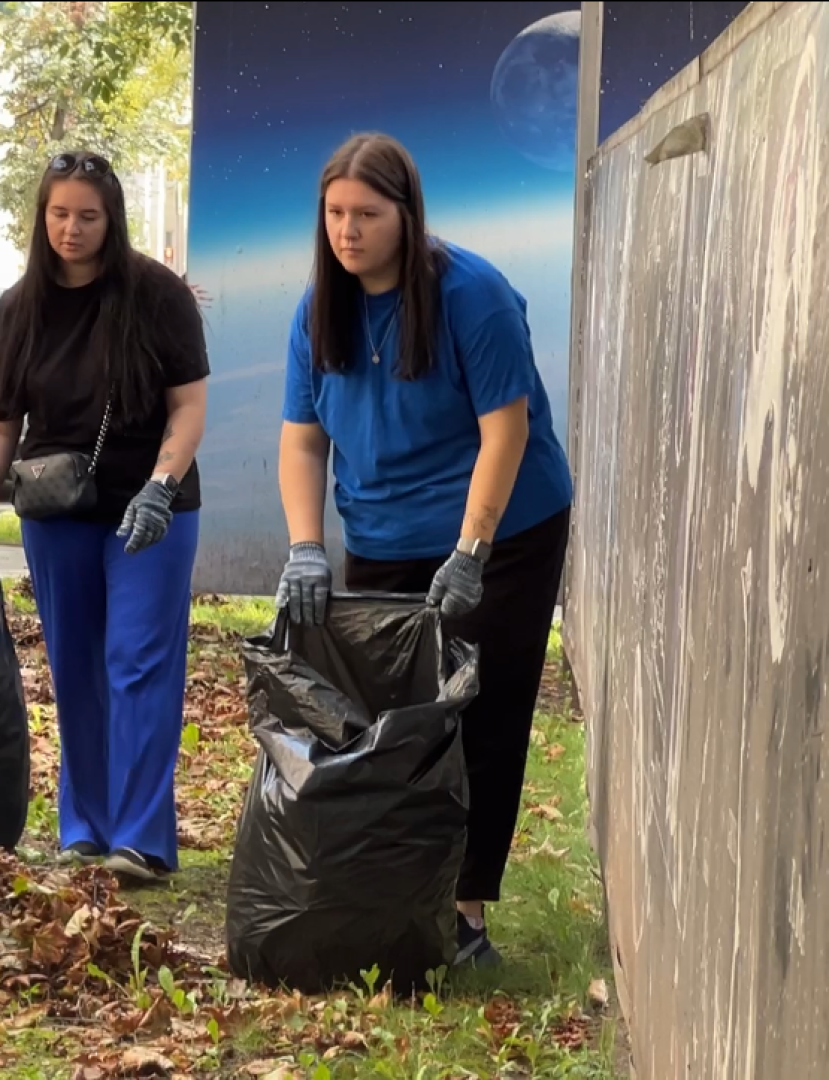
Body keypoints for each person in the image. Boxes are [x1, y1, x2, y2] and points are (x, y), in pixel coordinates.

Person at [275, 131, 574, 968]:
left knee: (483, 710)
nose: (347, 231)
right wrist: (307, 548)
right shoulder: (318, 307)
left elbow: (505, 430)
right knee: (387, 718)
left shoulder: (471, 294)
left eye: (366, 213)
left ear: (407, 214)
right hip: (380, 532)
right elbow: (302, 443)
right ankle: (396, 892)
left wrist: (472, 550)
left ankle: (466, 914)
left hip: (503, 529)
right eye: (334, 213)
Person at [0, 150, 212, 883]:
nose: (72, 229)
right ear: (42, 218)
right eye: (60, 214)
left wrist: (162, 485)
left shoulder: (158, 297)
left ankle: (142, 839)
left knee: (138, 661)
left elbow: (188, 407)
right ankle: (86, 827)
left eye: (88, 216)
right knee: (74, 663)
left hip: (151, 507)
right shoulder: (18, 307)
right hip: (54, 507)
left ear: (113, 219)